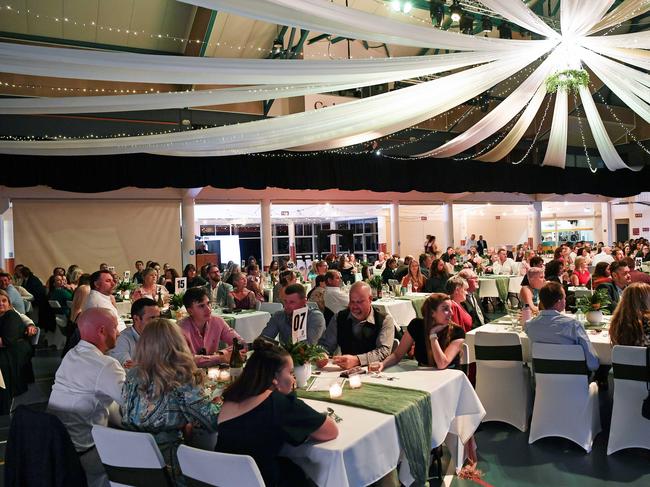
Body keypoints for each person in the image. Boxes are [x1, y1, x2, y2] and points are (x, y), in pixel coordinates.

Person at [216, 339, 338, 487]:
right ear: (274, 378)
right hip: (263, 481)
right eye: (291, 372)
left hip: (225, 480)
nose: (293, 378)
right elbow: (330, 431)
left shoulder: (231, 398)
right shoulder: (276, 403)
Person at [121, 319, 220, 482]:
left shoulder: (133, 375)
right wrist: (219, 404)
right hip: (169, 466)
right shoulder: (181, 377)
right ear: (177, 343)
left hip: (132, 462)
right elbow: (210, 421)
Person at [47, 308, 125, 487]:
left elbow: (105, 400)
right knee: (139, 453)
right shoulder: (106, 365)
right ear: (102, 331)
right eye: (115, 328)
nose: (119, 333)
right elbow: (136, 405)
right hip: (85, 451)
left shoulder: (72, 354)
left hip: (56, 445)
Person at [318, 281, 395, 369]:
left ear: (370, 299)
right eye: (352, 302)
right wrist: (321, 354)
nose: (354, 306)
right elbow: (326, 345)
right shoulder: (339, 318)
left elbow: (384, 352)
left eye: (359, 302)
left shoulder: (384, 320)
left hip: (374, 371)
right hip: (344, 373)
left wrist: (357, 360)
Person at [525, 282, 599, 371]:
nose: (566, 300)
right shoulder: (573, 326)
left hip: (543, 381)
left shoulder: (529, 325)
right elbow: (593, 364)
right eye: (564, 298)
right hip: (575, 381)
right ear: (559, 302)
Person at [380, 293, 465, 370]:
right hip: (422, 375)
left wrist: (433, 335)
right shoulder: (416, 325)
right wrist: (382, 364)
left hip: (450, 377)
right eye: (446, 309)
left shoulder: (457, 332)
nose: (451, 313)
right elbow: (397, 355)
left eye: (451, 308)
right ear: (432, 313)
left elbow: (442, 364)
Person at [177, 287, 243, 367]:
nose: (208, 309)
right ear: (190, 311)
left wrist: (220, 353)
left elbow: (241, 344)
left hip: (213, 373)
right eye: (201, 306)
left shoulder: (217, 321)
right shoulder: (180, 329)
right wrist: (220, 358)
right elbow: (186, 360)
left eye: (208, 303)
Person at [0, 289, 33, 414]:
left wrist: (31, 325)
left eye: (4, 301)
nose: (1, 304)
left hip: (15, 351)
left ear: (9, 303)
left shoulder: (11, 316)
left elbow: (7, 341)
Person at [260, 284, 326, 345]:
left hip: (313, 356)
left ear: (304, 301)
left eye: (292, 302)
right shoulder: (279, 315)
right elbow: (265, 339)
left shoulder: (315, 317)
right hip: (285, 355)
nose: (287, 306)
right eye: (285, 301)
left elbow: (309, 346)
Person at [109, 298, 160, 367]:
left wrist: (142, 365)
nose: (157, 322)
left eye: (158, 317)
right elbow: (128, 370)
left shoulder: (161, 336)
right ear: (136, 319)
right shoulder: (121, 340)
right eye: (152, 318)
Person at [609, 282, 650, 347]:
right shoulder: (647, 321)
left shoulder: (617, 322)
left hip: (623, 356)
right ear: (646, 300)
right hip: (644, 356)